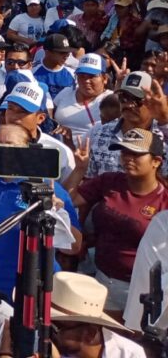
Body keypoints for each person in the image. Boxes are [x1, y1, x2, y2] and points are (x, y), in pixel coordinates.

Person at [0, 123, 80, 300]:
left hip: (27, 290)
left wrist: (57, 215)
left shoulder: (48, 188)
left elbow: (74, 247)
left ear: (27, 150)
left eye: (9, 144)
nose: (1, 149)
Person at [65, 128, 168, 315]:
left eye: (136, 154)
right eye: (124, 152)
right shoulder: (109, 181)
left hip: (141, 291)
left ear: (156, 161)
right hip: (100, 279)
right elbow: (66, 201)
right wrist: (80, 169)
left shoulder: (165, 201)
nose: (128, 158)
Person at [47, 272, 146, 358]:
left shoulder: (129, 355)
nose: (46, 333)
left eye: (54, 327)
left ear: (90, 333)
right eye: (45, 323)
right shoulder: (38, 347)